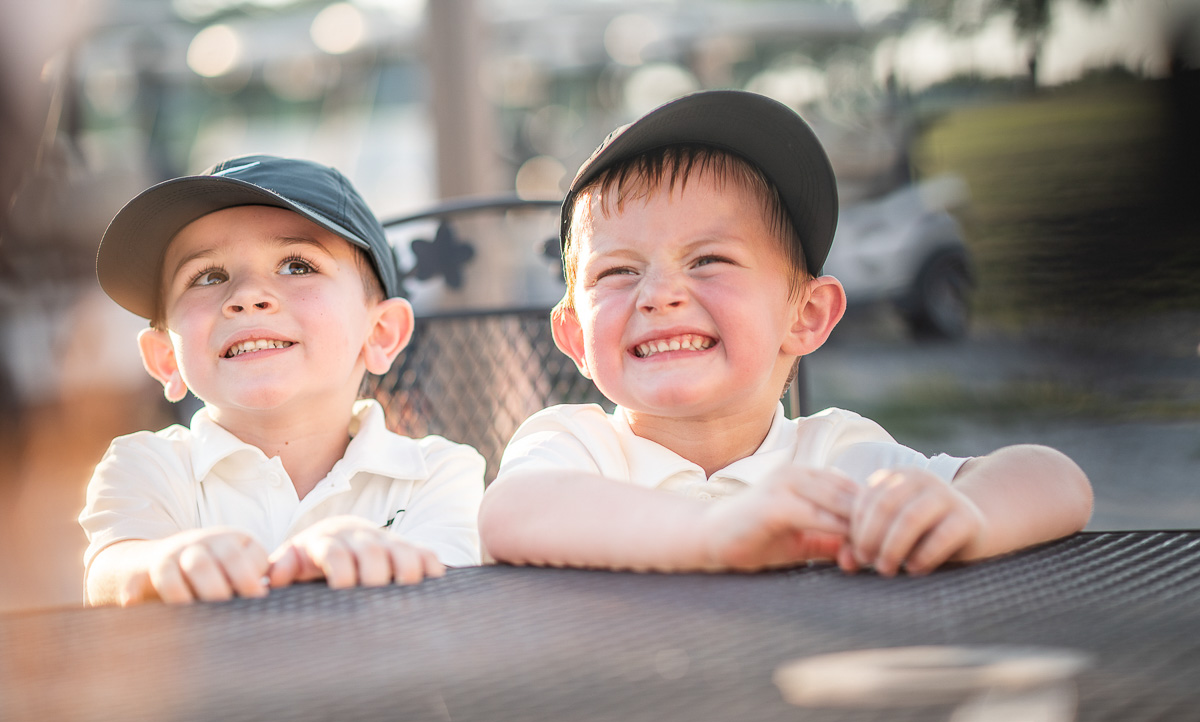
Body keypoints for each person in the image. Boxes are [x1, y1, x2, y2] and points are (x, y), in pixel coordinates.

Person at [479, 90, 1093, 575]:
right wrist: (714, 535)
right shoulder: (578, 449)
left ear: (807, 315)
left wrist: (968, 518)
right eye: (618, 271)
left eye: (709, 260)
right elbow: (510, 512)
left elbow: (1056, 479)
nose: (659, 294)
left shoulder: (836, 460)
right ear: (575, 337)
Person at [81, 155, 485, 605]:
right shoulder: (148, 467)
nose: (247, 296)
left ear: (380, 334)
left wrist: (363, 556)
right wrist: (163, 563)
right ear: (165, 359)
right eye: (207, 276)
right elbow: (112, 574)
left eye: (297, 266)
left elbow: (452, 603)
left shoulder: (436, 474)